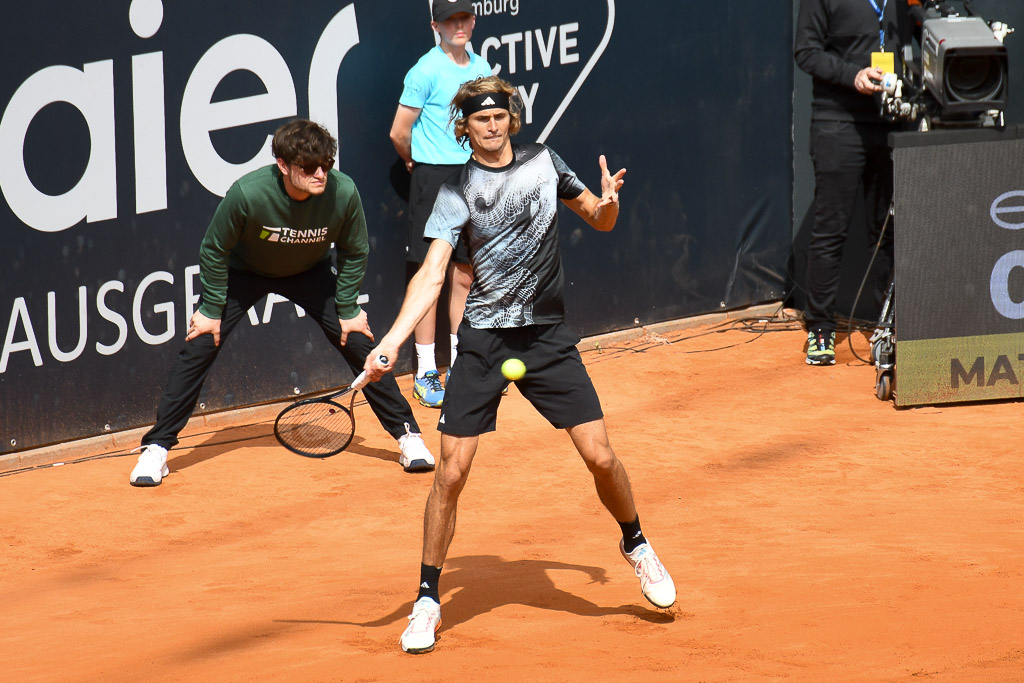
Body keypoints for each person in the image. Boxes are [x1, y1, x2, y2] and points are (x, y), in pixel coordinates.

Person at [365, 76, 676, 655]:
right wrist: (391, 341)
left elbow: (598, 219)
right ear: (466, 125)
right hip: (483, 340)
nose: (492, 125)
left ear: (511, 118)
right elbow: (433, 275)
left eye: (500, 116)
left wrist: (608, 205)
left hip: (547, 339)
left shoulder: (545, 163)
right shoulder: (455, 191)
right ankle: (428, 600)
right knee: (451, 472)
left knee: (600, 455)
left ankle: (636, 544)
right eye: (480, 119)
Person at [128, 119, 435, 487]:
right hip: (245, 273)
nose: (320, 174)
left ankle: (408, 437)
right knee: (199, 344)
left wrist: (349, 308)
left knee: (357, 341)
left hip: (310, 272)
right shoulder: (247, 194)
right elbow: (214, 249)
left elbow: (355, 251)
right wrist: (210, 310)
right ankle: (157, 449)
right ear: (283, 165)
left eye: (326, 165)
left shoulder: (343, 193)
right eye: (308, 167)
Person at [794, 0, 911, 365]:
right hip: (838, 123)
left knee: (888, 231)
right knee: (831, 229)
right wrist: (852, 75)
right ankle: (821, 330)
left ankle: (889, 327)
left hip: (893, 121)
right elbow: (806, 51)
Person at [389, 0, 491, 408]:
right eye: (450, 20)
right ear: (436, 26)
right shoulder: (424, 70)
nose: (459, 26)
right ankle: (427, 371)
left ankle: (463, 364)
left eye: (464, 18)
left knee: (466, 274)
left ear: (473, 21)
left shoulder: (483, 70)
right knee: (431, 275)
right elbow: (400, 131)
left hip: (474, 174)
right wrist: (417, 159)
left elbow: (489, 124)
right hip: (433, 178)